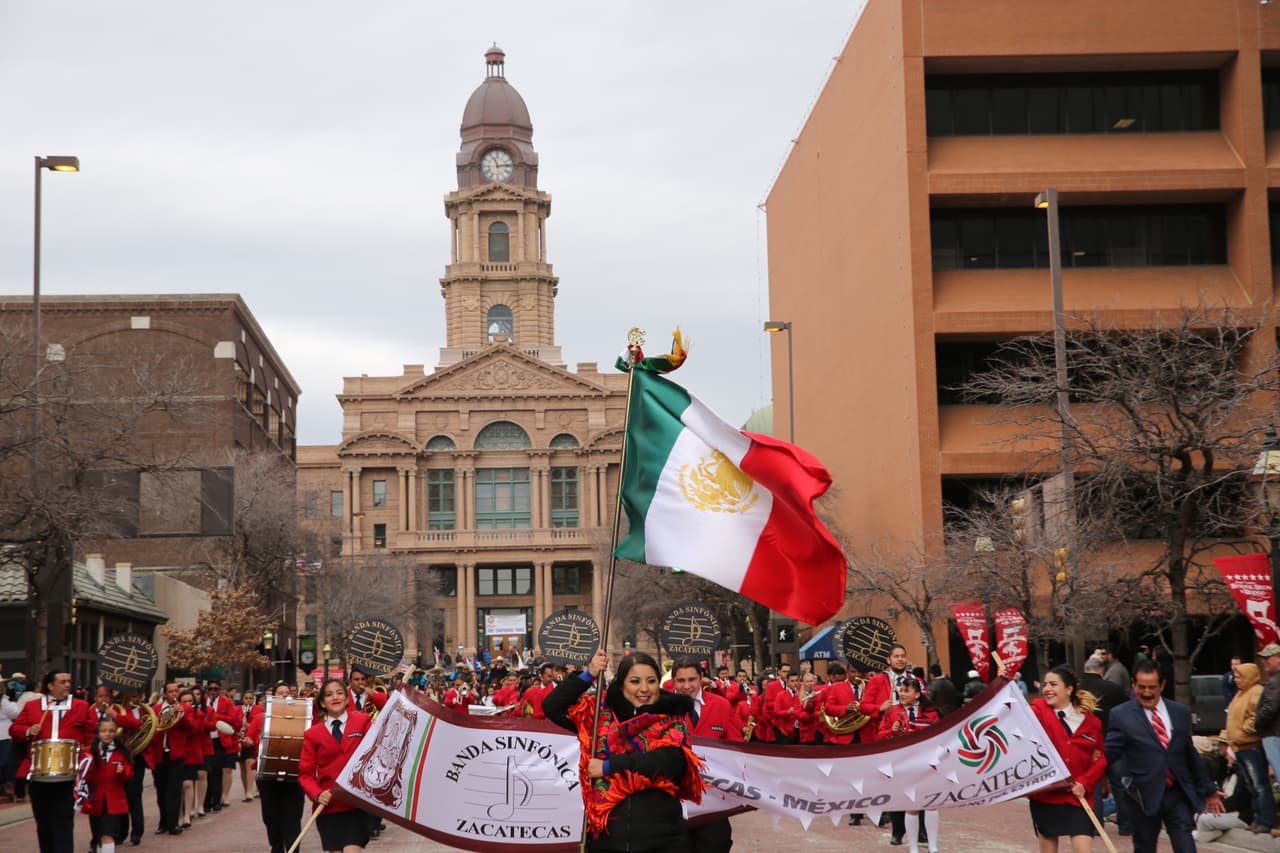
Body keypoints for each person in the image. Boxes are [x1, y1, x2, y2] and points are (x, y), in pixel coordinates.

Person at [544, 649, 702, 852]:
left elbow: (669, 763)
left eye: (651, 681)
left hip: (663, 839)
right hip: (607, 839)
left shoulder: (672, 717)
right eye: (635, 681)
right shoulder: (599, 716)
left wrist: (610, 766)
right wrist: (588, 674)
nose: (644, 689)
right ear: (621, 684)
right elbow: (552, 706)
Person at [1104, 660, 1223, 853]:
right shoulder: (1121, 715)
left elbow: (1189, 753)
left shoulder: (1179, 712)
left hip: (1176, 793)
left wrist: (1208, 789)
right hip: (1143, 796)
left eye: (1152, 687)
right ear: (1134, 684)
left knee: (1186, 846)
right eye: (1142, 687)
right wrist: (1085, 779)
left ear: (1162, 685)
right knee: (1145, 848)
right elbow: (1108, 753)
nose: (1147, 693)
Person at [12, 670, 97, 853]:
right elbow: (15, 729)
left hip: (68, 775)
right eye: (63, 682)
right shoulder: (33, 706)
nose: (67, 685)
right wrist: (28, 730)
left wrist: (85, 754)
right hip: (39, 773)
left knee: (64, 821)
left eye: (69, 681)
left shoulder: (81, 706)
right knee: (43, 823)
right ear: (50, 686)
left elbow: (91, 735)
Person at [1028, 665, 1107, 853]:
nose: (1047, 689)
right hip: (1046, 794)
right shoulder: (1038, 710)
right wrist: (1006, 683)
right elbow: (1016, 711)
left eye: (1054, 684)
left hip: (1078, 797)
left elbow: (1100, 758)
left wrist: (1085, 783)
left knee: (1083, 849)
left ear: (1069, 689)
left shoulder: (1092, 723)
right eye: (1045, 684)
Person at [671, 657, 740, 853]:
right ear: (673, 681)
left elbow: (736, 747)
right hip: (675, 801)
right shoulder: (661, 706)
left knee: (716, 846)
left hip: (713, 800)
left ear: (702, 678)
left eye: (692, 680)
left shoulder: (722, 705)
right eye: (681, 681)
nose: (686, 686)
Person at [298, 678, 372, 853]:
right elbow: (305, 774)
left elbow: (374, 754)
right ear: (322, 703)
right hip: (328, 807)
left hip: (357, 804)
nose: (335, 697)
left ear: (347, 699)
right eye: (329, 695)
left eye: (339, 693)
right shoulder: (312, 734)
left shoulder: (362, 721)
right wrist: (317, 794)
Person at [877, 677, 940, 853]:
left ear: (917, 694)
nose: (902, 694)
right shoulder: (892, 712)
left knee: (931, 803)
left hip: (927, 763)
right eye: (901, 690)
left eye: (906, 690)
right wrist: (892, 730)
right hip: (903, 763)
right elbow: (879, 737)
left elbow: (939, 734)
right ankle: (913, 847)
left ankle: (933, 846)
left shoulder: (931, 711)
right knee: (911, 805)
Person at [246, 683, 306, 853]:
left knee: (293, 816)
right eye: (281, 693)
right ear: (273, 696)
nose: (285, 696)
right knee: (270, 816)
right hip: (267, 775)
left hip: (293, 775)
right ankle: (277, 847)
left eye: (288, 693)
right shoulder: (260, 718)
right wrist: (248, 742)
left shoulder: (301, 716)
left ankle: (293, 849)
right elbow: (249, 738)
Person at [1224, 662, 1272, 834]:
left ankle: (1266, 821)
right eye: (1235, 676)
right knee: (1251, 786)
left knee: (1259, 785)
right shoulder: (1240, 693)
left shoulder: (1256, 691)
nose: (1236, 680)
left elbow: (1256, 716)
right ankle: (1257, 819)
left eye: (1239, 676)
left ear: (1249, 676)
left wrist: (1244, 730)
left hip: (1251, 745)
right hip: (1239, 746)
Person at [80, 716, 134, 853]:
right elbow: (83, 774)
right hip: (95, 799)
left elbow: (129, 774)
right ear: (98, 732)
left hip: (114, 800)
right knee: (98, 835)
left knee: (108, 834)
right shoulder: (89, 751)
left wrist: (123, 771)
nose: (107, 734)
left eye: (111, 731)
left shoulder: (121, 751)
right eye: (104, 731)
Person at [237, 689, 260, 802]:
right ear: (242, 699)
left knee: (249, 763)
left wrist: (249, 725)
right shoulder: (238, 709)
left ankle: (249, 791)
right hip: (240, 740)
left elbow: (259, 723)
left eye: (250, 698)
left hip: (252, 740)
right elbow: (234, 722)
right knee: (242, 766)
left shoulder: (258, 709)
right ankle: (246, 789)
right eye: (246, 698)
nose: (248, 700)